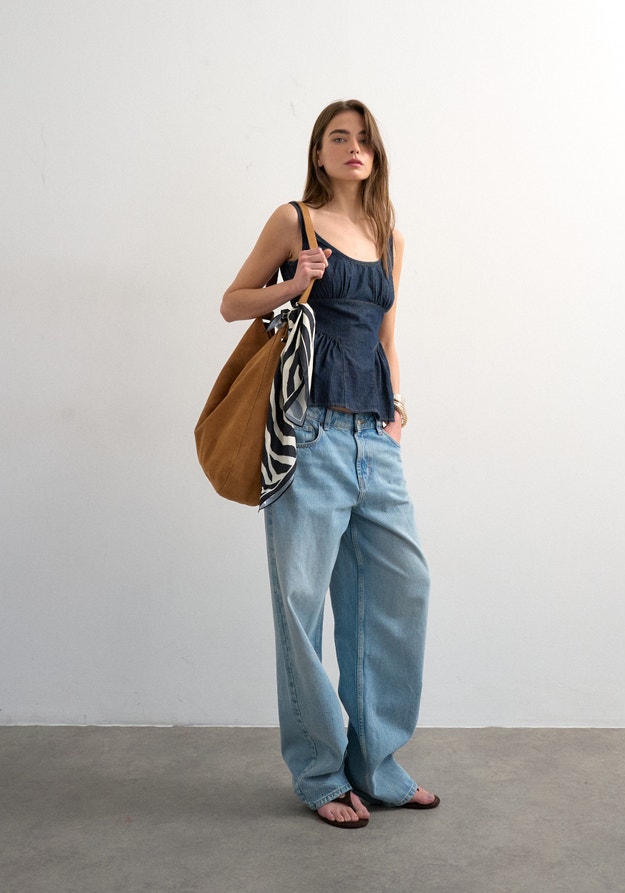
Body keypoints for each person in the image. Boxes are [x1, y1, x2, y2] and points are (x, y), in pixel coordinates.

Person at [220, 99, 437, 829]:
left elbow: (385, 337)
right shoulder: (295, 222)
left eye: (364, 138)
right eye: (338, 137)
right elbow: (232, 303)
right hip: (308, 433)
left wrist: (396, 411)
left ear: (376, 154)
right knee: (302, 604)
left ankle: (376, 766)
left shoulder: (389, 236)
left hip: (374, 435)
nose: (353, 147)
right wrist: (294, 281)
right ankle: (319, 773)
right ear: (318, 153)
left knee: (401, 588)